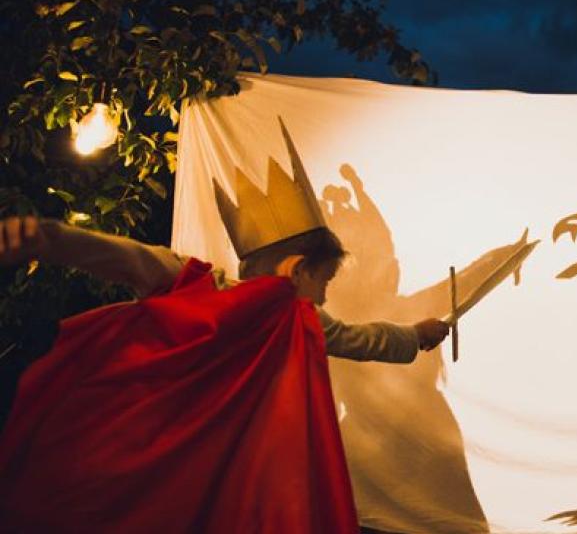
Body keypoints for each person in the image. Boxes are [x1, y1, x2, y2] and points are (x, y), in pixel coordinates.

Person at [0, 118, 449, 533]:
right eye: (324, 281)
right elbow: (129, 258)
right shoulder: (220, 292)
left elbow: (360, 338)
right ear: (296, 270)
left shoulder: (283, 316)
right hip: (173, 455)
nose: (325, 296)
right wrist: (50, 238)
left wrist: (414, 335)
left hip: (207, 464)